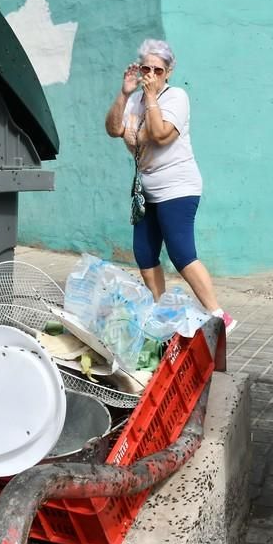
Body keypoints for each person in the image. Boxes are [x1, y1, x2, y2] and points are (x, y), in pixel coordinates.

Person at [104, 38, 237, 334]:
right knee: (144, 252)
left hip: (178, 187)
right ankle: (160, 310)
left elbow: (161, 135)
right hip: (147, 191)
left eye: (158, 70)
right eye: (145, 68)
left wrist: (151, 97)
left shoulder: (176, 97)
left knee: (181, 253)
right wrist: (125, 95)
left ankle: (219, 316)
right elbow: (114, 129)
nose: (150, 74)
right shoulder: (135, 101)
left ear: (169, 72)